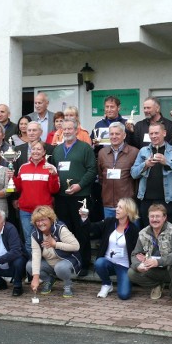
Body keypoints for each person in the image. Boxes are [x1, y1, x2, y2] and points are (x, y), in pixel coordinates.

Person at [52, 118, 97, 275]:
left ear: (77, 130)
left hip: (81, 196)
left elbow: (92, 170)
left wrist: (79, 185)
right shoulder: (57, 150)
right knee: (66, 231)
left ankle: (84, 263)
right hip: (62, 197)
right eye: (64, 129)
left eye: (70, 129)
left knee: (81, 229)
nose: (67, 131)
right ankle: (69, 262)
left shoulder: (85, 148)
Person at [128, 204, 172, 307]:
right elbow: (134, 254)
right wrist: (138, 265)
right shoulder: (143, 233)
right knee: (131, 273)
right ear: (148, 217)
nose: (154, 219)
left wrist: (158, 261)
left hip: (171, 269)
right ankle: (157, 285)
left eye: (157, 216)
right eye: (152, 216)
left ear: (164, 217)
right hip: (154, 270)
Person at [81, 198, 140, 300]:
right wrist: (84, 217)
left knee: (124, 295)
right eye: (117, 206)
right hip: (108, 262)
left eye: (120, 207)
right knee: (99, 262)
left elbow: (137, 250)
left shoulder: (133, 229)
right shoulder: (110, 222)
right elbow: (92, 228)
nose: (116, 209)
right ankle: (107, 284)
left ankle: (123, 281)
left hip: (124, 266)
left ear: (128, 211)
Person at [131, 121, 172, 227]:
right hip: (146, 199)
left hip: (167, 200)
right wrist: (145, 165)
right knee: (148, 233)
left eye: (156, 133)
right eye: (151, 134)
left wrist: (167, 163)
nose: (153, 136)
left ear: (164, 133)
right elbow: (133, 173)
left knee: (167, 233)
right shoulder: (143, 151)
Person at [13, 140, 59, 256]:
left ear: (44, 152)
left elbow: (54, 190)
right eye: (33, 149)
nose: (36, 151)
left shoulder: (50, 167)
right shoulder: (23, 167)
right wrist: (12, 178)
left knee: (46, 240)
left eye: (39, 149)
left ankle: (45, 267)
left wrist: (53, 176)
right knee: (29, 241)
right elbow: (18, 188)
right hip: (26, 211)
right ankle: (32, 270)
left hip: (44, 211)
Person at [27, 205, 82, 298]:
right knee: (29, 265)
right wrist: (35, 278)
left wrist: (55, 244)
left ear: (51, 219)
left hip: (66, 261)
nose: (40, 223)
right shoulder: (35, 234)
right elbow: (36, 255)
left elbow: (76, 246)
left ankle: (68, 284)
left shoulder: (60, 228)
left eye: (43, 220)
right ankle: (49, 280)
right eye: (37, 221)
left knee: (60, 267)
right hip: (49, 263)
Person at [97, 122, 139, 218]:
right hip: (108, 204)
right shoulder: (102, 153)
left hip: (128, 204)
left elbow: (137, 178)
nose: (114, 136)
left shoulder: (134, 152)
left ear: (124, 135)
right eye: (111, 134)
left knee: (129, 232)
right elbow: (101, 177)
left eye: (117, 134)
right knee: (110, 232)